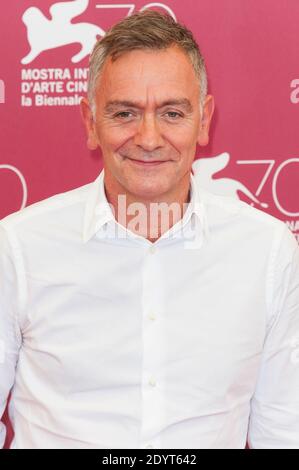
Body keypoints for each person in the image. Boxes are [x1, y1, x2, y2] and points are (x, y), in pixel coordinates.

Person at [0, 10, 298, 449]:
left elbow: (284, 430)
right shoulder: (17, 248)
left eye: (172, 112)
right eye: (125, 113)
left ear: (204, 119)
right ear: (90, 122)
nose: (149, 137)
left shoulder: (268, 251)